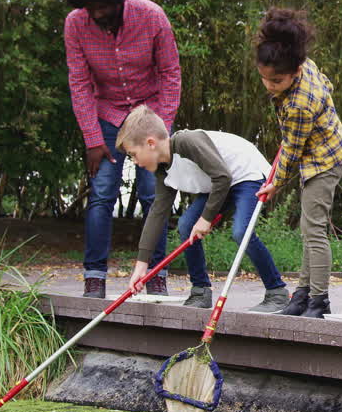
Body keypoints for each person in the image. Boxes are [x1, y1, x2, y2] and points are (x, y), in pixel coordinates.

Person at [65, 0, 181, 299]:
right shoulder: (75, 23)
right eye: (91, 8)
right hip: (107, 113)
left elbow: (170, 74)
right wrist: (92, 137)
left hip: (150, 112)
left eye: (103, 6)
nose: (97, 14)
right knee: (101, 194)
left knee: (153, 193)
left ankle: (156, 277)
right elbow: (80, 82)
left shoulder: (151, 16)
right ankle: (95, 278)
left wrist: (161, 131)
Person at [116, 105, 287, 310]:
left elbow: (223, 176)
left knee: (242, 232)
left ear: (150, 143)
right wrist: (141, 266)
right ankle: (200, 291)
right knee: (187, 225)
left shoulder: (187, 142)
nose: (134, 161)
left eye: (133, 154)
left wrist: (205, 219)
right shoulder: (163, 171)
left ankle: (277, 292)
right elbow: (157, 213)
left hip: (245, 174)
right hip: (219, 183)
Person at [253, 8, 342, 319]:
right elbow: (327, 84)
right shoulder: (302, 64)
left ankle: (319, 301)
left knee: (314, 230)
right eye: (264, 77)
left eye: (276, 80)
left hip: (324, 160)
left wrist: (274, 184)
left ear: (294, 72)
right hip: (314, 154)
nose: (269, 85)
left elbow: (292, 150)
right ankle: (302, 295)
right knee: (309, 229)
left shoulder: (299, 104)